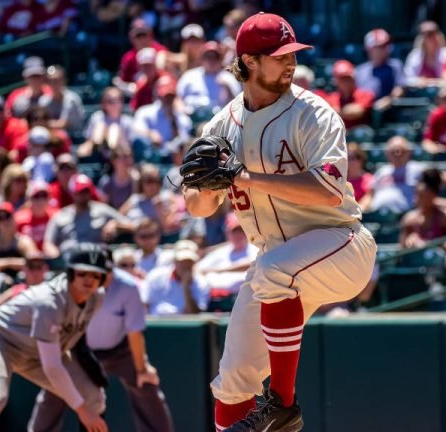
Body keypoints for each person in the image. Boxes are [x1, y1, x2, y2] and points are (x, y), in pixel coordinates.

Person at [184, 12, 377, 431]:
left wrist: (242, 176)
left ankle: (283, 405)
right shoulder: (221, 125)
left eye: (293, 53)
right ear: (249, 61)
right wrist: (202, 188)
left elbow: (328, 189)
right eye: (279, 55)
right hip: (279, 264)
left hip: (340, 244)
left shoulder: (314, 113)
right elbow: (197, 207)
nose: (290, 63)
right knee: (233, 381)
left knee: (273, 271)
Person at [0, 244, 110, 432]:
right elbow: (52, 367)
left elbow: (75, 334)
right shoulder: (49, 302)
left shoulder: (97, 298)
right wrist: (82, 410)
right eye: (83, 273)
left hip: (37, 351)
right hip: (1, 341)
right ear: (71, 273)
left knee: (94, 399)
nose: (89, 280)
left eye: (95, 275)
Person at [28, 266, 175, 432]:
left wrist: (142, 369)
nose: (96, 277)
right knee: (55, 389)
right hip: (79, 350)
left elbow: (134, 332)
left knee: (146, 383)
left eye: (102, 271)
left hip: (119, 350)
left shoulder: (127, 286)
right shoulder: (70, 287)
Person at [43, 173, 135, 258]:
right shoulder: (60, 216)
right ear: (72, 193)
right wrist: (57, 258)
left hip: (96, 259)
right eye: (80, 192)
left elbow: (132, 226)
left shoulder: (102, 210)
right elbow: (48, 243)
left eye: (86, 191)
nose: (83, 195)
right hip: (69, 259)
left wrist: (116, 224)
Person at [196, 214, 259, 297]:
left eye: (241, 231)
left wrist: (219, 270)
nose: (238, 235)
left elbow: (252, 264)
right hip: (213, 297)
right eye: (234, 232)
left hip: (243, 296)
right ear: (227, 233)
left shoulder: (255, 248)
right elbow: (199, 268)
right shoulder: (223, 251)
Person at [141, 241, 209, 315]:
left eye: (189, 261)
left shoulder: (201, 283)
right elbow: (144, 305)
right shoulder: (155, 276)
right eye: (182, 261)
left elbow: (195, 315)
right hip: (154, 324)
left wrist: (186, 288)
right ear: (175, 261)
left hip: (184, 326)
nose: (185, 265)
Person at [132, 74, 193, 155]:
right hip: (154, 156)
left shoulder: (182, 118)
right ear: (157, 95)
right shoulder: (145, 112)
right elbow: (136, 129)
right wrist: (150, 133)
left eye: (171, 97)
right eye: (165, 97)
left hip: (175, 159)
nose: (168, 100)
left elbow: (185, 140)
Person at [176, 40, 241, 115]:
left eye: (215, 57)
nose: (211, 60)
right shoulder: (189, 76)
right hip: (191, 120)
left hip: (217, 120)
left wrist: (227, 88)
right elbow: (178, 99)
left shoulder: (229, 79)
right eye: (208, 57)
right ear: (202, 59)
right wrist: (183, 114)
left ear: (221, 59)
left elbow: (237, 104)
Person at [368, 136, 426, 213]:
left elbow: (440, 179)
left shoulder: (418, 169)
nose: (397, 154)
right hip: (376, 215)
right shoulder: (381, 171)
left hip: (404, 215)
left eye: (401, 151)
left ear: (409, 152)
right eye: (393, 151)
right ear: (387, 153)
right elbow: (370, 195)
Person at [400, 169, 446, 248]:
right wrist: (408, 242)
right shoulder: (409, 220)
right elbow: (402, 250)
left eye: (421, 196)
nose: (415, 200)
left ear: (433, 196)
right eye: (416, 194)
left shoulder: (444, 218)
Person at [355, 28, 404, 105]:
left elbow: (400, 89)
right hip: (363, 109)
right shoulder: (360, 71)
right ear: (369, 49)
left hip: (388, 112)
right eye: (381, 46)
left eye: (387, 45)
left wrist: (389, 100)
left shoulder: (395, 66)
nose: (386, 49)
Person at [322, 60, 376, 129]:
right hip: (339, 134)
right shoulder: (332, 97)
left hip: (359, 136)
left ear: (354, 79)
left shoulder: (365, 94)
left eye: (348, 78)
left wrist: (337, 111)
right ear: (336, 81)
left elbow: (356, 112)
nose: (345, 82)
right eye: (342, 79)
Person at [403, 21, 446, 86]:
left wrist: (434, 82)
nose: (429, 37)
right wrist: (418, 81)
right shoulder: (414, 55)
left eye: (432, 33)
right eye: (425, 34)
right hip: (420, 93)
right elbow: (406, 78)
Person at [40, 65, 85, 133]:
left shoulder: (71, 99)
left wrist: (41, 123)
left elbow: (63, 124)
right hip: (53, 138)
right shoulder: (44, 100)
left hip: (74, 139)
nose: (54, 83)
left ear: (64, 81)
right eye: (51, 81)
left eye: (57, 80)